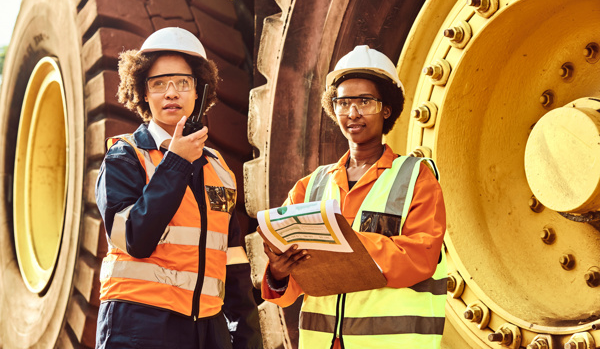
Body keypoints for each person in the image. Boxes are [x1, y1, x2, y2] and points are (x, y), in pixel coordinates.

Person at [261, 45, 447, 348]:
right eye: (343, 102)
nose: (353, 113)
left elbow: (422, 258)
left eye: (365, 101)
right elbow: (295, 279)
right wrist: (279, 274)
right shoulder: (309, 188)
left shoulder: (417, 178)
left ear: (387, 109)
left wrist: (349, 242)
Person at [95, 27, 262, 349]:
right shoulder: (124, 157)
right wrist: (176, 162)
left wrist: (246, 338)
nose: (171, 93)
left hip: (207, 329)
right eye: (159, 84)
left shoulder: (219, 168)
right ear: (143, 93)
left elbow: (232, 262)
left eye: (182, 83)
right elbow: (135, 239)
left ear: (199, 91)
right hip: (139, 326)